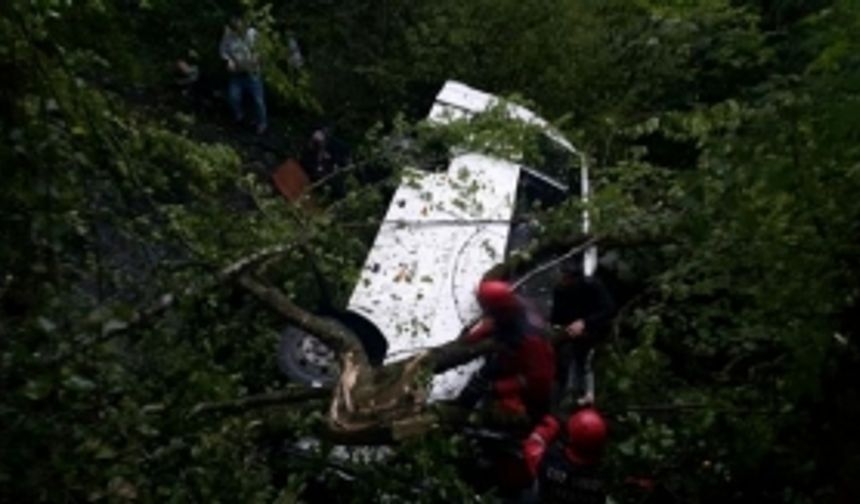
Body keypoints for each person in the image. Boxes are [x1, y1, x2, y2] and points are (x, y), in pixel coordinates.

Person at [457, 280, 556, 423]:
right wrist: (470, 340)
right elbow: (493, 325)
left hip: (532, 384)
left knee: (514, 415)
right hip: (513, 360)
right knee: (479, 381)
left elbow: (540, 378)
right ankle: (460, 410)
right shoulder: (510, 308)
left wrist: (500, 387)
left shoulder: (530, 339)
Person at [551, 261, 616, 406]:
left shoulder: (592, 286)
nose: (563, 281)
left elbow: (608, 309)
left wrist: (585, 323)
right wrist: (566, 327)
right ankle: (563, 388)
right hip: (571, 328)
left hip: (594, 326)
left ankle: (584, 393)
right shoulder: (560, 291)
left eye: (566, 277)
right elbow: (556, 316)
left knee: (585, 358)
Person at [522, 407, 608, 504]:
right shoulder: (606, 477)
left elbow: (533, 445)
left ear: (570, 436)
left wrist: (552, 424)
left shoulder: (548, 462)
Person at [219, 15, 267, 134]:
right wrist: (228, 60)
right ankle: (240, 117)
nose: (237, 27)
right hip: (237, 73)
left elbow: (262, 49)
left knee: (258, 100)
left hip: (252, 72)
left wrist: (258, 58)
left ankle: (262, 123)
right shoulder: (228, 36)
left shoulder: (252, 34)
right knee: (233, 97)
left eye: (238, 23)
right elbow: (223, 50)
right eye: (234, 25)